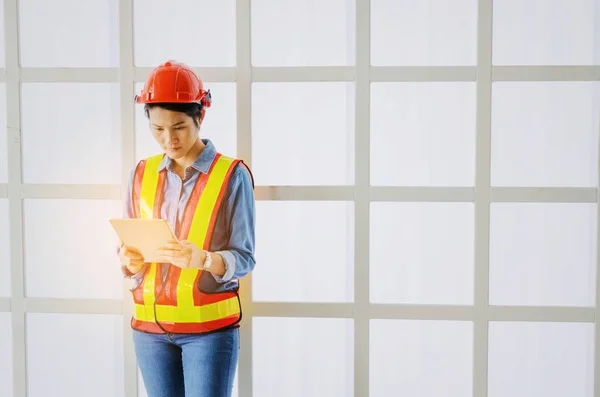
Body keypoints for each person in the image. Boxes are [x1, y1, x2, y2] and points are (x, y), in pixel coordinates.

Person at [117, 60, 256, 397]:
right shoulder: (141, 173)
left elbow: (245, 257)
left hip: (207, 333)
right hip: (149, 330)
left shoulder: (231, 175)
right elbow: (127, 250)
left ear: (200, 116)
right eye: (157, 128)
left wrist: (205, 260)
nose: (169, 139)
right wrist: (129, 262)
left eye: (178, 126)